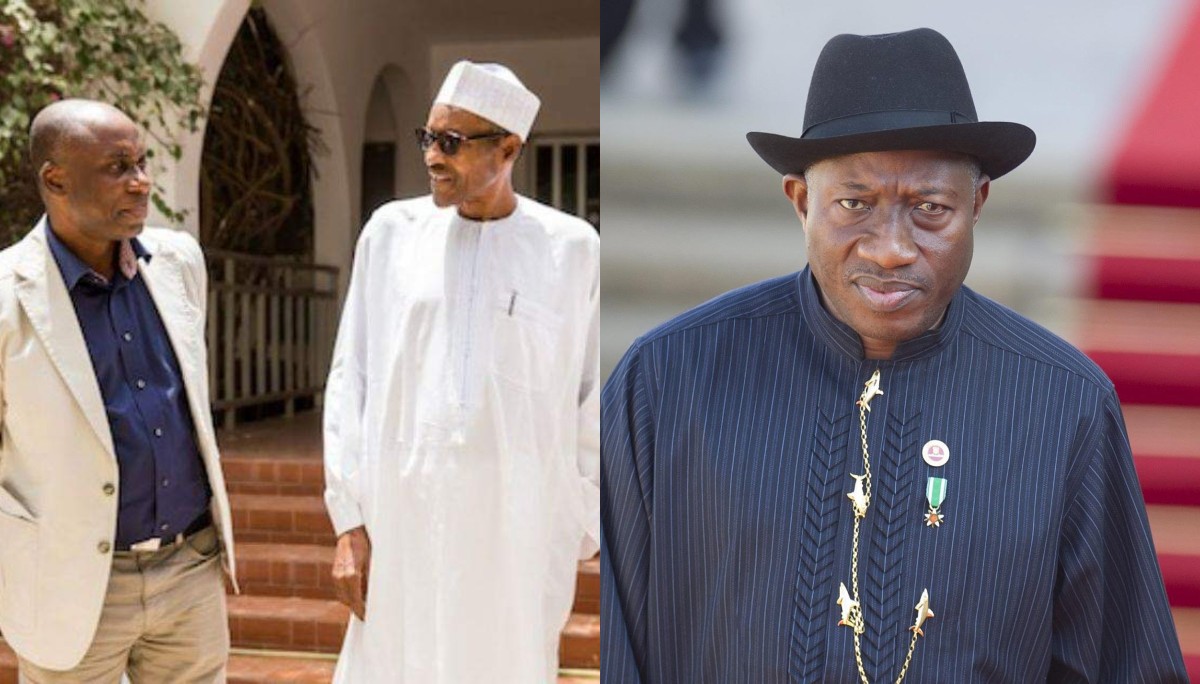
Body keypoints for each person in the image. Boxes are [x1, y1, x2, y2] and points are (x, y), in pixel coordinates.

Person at [600, 28, 1188, 682]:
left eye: (930, 209)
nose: (889, 249)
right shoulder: (668, 382)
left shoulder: (1062, 403)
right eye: (855, 204)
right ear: (801, 202)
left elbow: (1126, 665)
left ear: (977, 206)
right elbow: (613, 643)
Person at [323, 60, 600, 683]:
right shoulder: (391, 234)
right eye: (428, 138)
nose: (433, 157)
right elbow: (353, 377)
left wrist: (577, 515)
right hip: (403, 513)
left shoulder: (572, 249)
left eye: (452, 142)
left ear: (508, 148)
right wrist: (349, 520)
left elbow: (594, 394)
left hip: (518, 523)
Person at [0, 99, 237, 682]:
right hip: (69, 581)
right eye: (117, 168)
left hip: (190, 567)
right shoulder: (7, 294)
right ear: (55, 179)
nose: (141, 182)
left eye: (142, 162)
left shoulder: (178, 261)